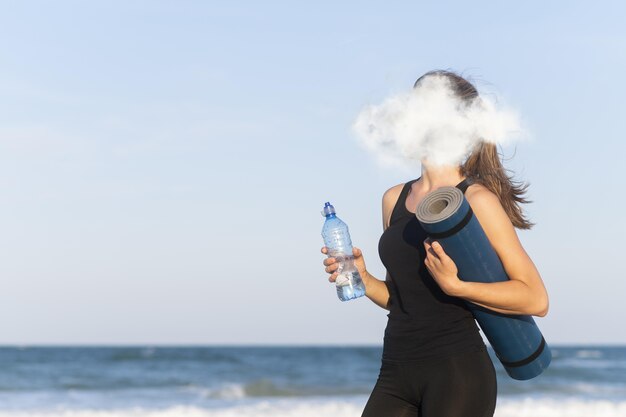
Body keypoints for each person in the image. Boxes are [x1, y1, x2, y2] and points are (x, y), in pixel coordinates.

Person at [321, 70, 549, 417]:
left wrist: (457, 286)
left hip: (457, 373)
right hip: (396, 370)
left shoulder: (476, 199)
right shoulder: (394, 198)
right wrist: (364, 280)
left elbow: (535, 298)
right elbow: (401, 300)